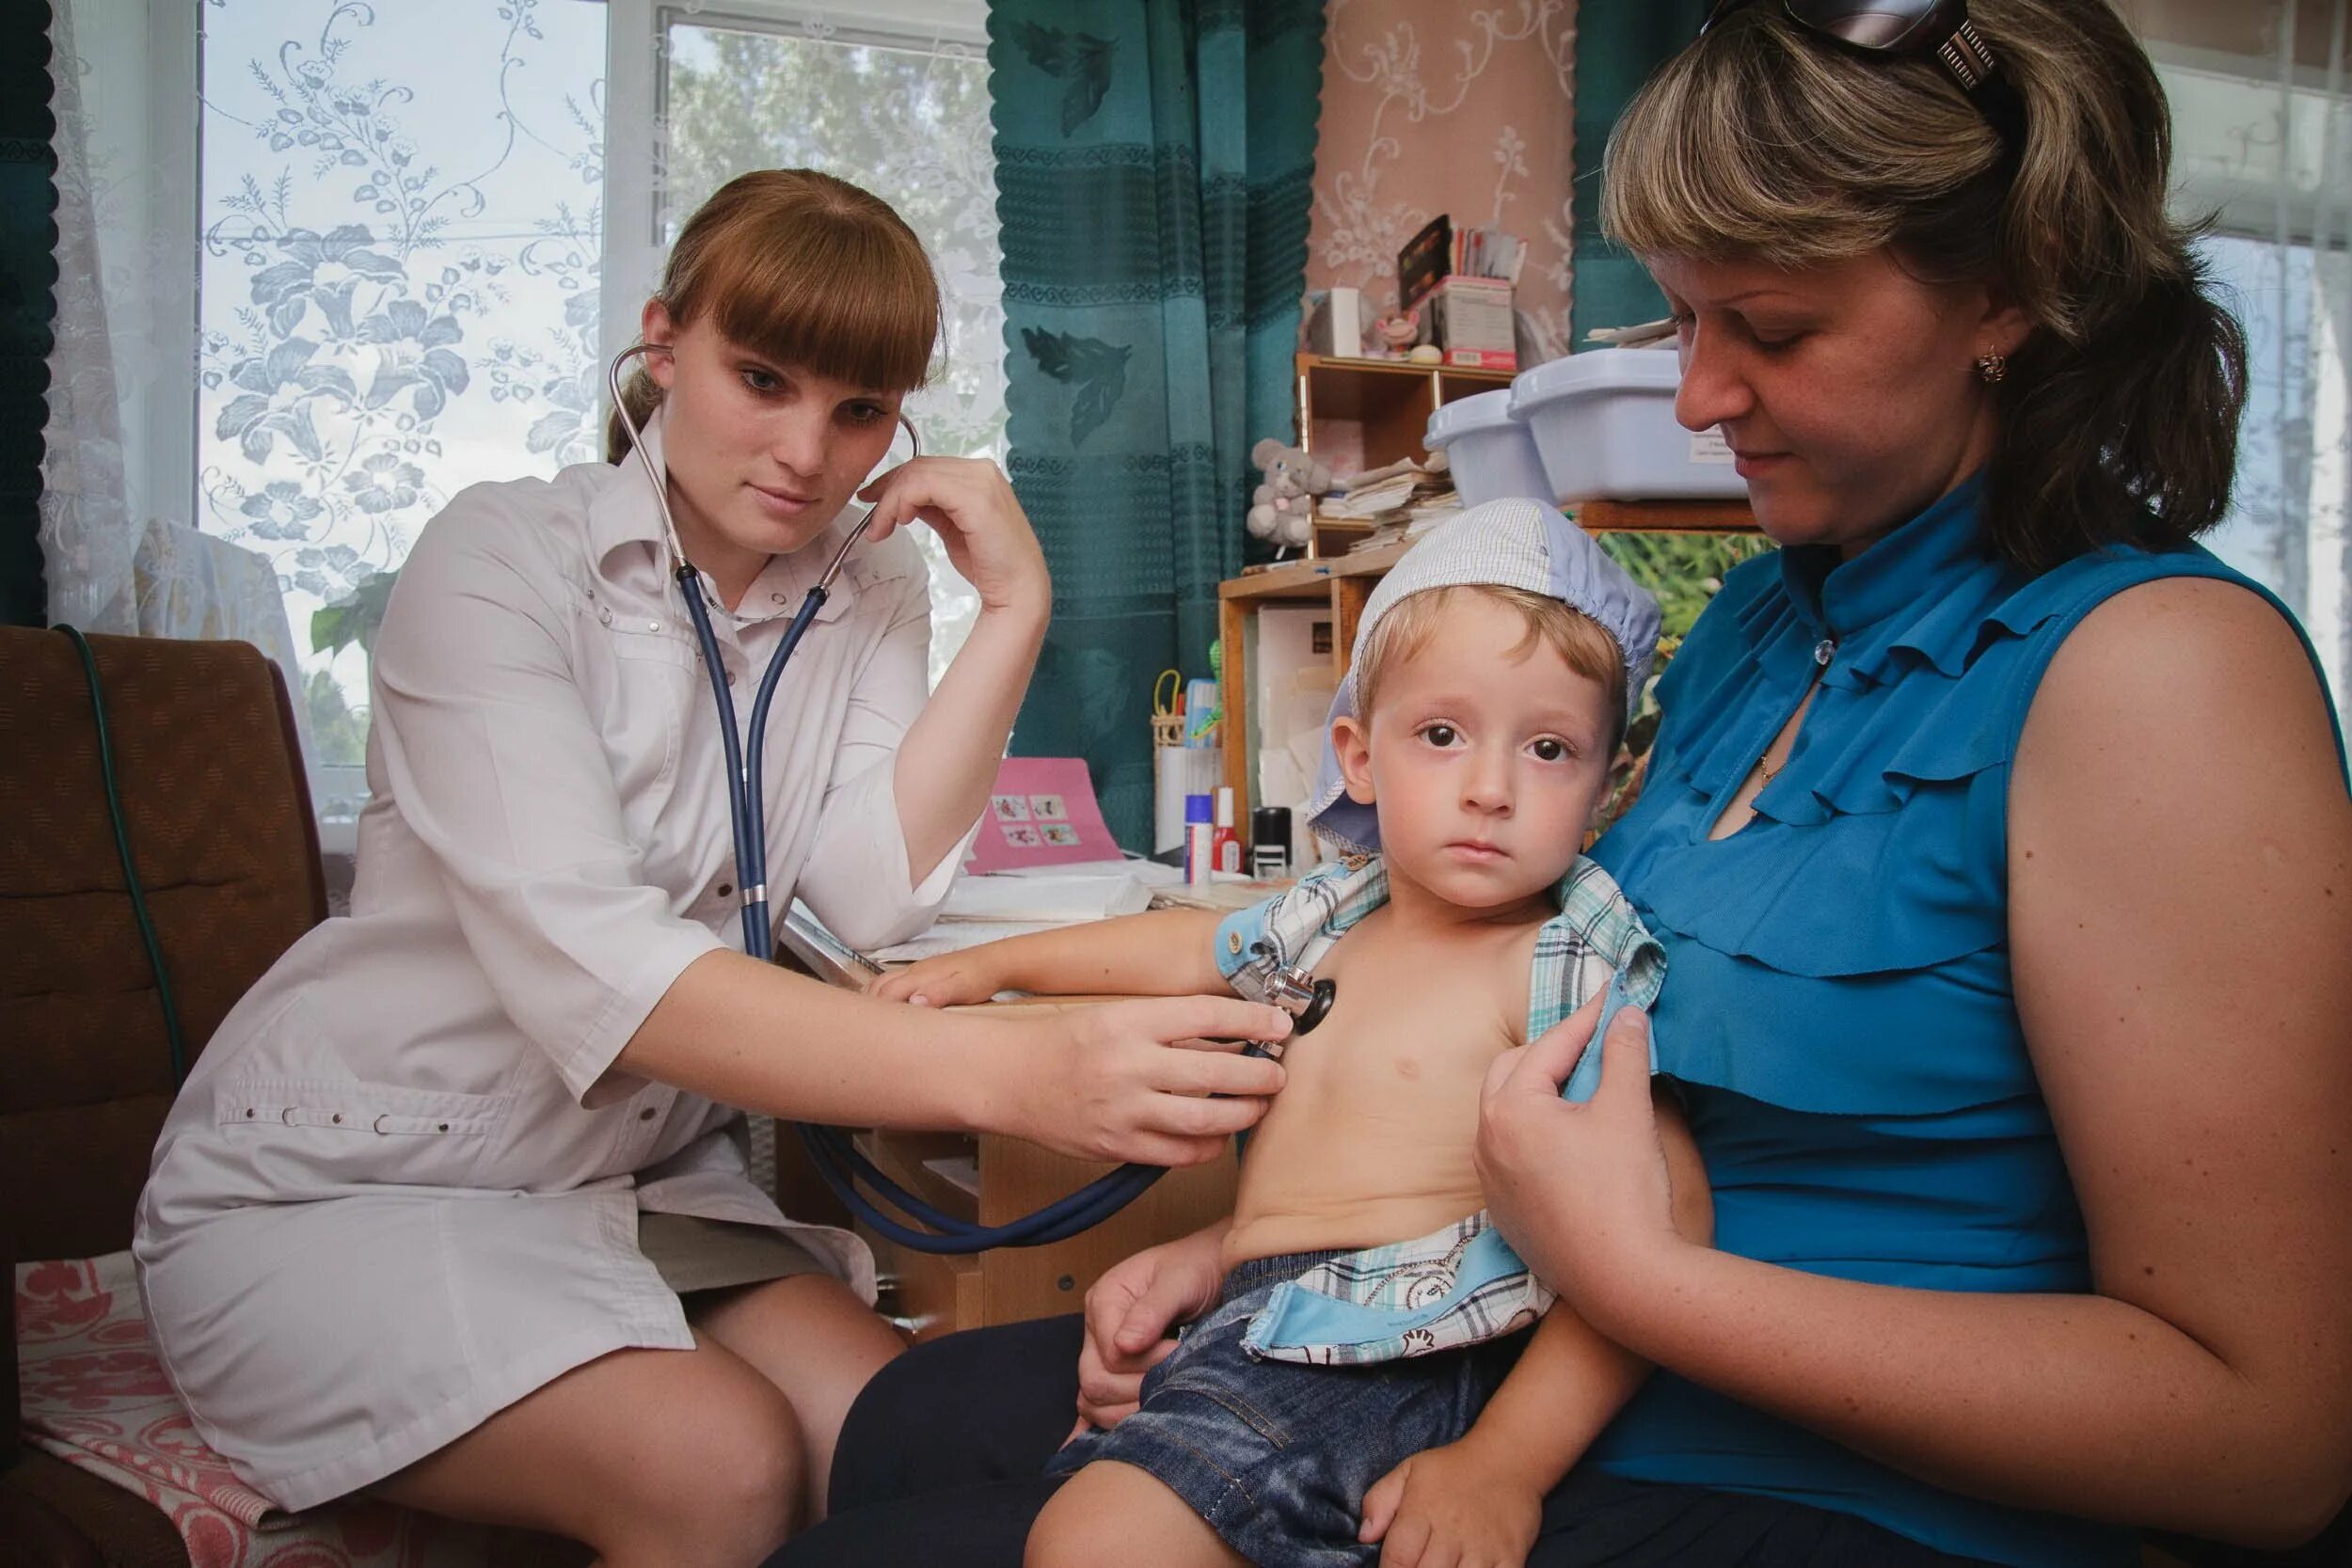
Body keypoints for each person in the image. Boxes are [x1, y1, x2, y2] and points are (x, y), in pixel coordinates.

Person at [776, 3, 2352, 1564]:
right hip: (1503, 1332)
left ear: (2009, 297)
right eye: (1684, 324)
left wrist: (1647, 1288)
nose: (1698, 400)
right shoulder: (1750, 625)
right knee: (896, 1428)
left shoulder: (2157, 676)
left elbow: (2270, 1441)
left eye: (1774, 331)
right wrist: (1246, 1251)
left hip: (1784, 1471)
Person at [131, 169, 1291, 1568]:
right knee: (721, 1464)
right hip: (353, 1175)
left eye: (859, 409)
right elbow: (605, 970)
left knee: (906, 1435)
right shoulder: (501, 558)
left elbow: (867, 895)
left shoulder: (862, 586)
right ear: (662, 341)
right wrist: (1029, 1075)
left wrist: (1016, 607)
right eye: (761, 376)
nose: (809, 450)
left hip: (623, 1174)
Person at [873, 502, 1710, 1568]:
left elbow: (1657, 1223)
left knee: (1096, 1542)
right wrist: (991, 965)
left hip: (1395, 1354)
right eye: (1442, 735)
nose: (1490, 789)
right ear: (1359, 755)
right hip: (1261, 1318)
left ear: (1603, 786)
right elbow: (1178, 952)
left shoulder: (1551, 966)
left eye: (1548, 748)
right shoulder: (1333, 916)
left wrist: (1504, 1462)